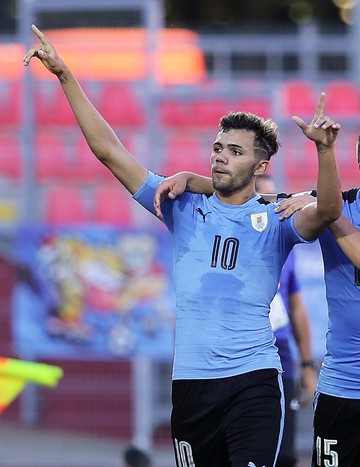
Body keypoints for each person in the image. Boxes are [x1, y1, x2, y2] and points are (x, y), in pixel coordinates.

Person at [24, 24, 342, 467]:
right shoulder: (181, 205)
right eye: (217, 147)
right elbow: (110, 152)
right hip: (190, 383)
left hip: (254, 381)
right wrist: (64, 77)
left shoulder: (278, 216)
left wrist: (326, 153)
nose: (219, 156)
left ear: (261, 164)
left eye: (234, 150)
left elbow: (328, 210)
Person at [155, 118, 360, 467]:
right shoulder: (329, 204)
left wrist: (327, 212)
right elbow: (250, 200)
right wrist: (191, 180)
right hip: (339, 388)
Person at [256, 174, 317, 467]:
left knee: (285, 455)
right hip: (238, 360)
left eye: (274, 200)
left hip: (281, 361)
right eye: (262, 200)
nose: (271, 207)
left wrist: (306, 365)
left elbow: (296, 307)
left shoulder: (285, 250)